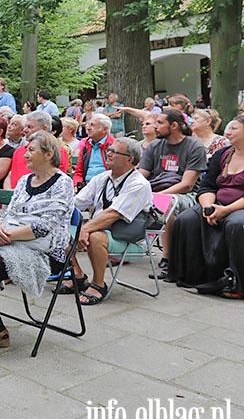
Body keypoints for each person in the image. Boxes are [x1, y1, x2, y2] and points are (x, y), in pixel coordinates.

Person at [0, 131, 74, 361]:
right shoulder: (24, 181)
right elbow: (7, 215)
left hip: (45, 252)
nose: (24, 153)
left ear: (49, 154)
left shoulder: (62, 183)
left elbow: (45, 226)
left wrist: (7, 236)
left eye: (31, 150)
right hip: (15, 241)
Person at [66, 137, 153, 305]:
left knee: (94, 236)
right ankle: (77, 275)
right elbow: (76, 203)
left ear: (130, 159)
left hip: (129, 240)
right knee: (58, 229)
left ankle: (98, 284)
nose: (109, 154)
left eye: (115, 152)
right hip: (101, 230)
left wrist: (84, 229)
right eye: (109, 150)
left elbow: (113, 214)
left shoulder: (139, 184)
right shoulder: (102, 178)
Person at [167, 116, 244, 298]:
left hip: (238, 207)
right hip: (216, 202)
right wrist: (208, 206)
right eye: (227, 128)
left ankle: (237, 283)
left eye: (233, 129)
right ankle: (193, 277)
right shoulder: (222, 154)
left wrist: (226, 210)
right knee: (187, 219)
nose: (227, 133)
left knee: (235, 225)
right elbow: (207, 185)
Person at [138, 109, 207, 270]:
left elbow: (187, 184)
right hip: (157, 191)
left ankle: (168, 258)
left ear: (174, 125)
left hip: (187, 195)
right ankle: (117, 249)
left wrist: (156, 196)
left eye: (160, 123)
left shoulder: (194, 146)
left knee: (167, 204)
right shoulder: (155, 146)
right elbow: (141, 176)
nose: (155, 126)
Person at [6, 111, 70, 189]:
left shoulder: (58, 152)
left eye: (30, 127)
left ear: (44, 129)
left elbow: (56, 182)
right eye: (25, 126)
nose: (25, 130)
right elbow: (10, 176)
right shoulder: (19, 152)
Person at [72, 113, 114, 190]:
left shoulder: (114, 146)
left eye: (92, 125)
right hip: (86, 187)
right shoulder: (86, 146)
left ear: (105, 129)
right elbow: (78, 173)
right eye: (87, 124)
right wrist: (77, 184)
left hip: (107, 187)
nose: (88, 128)